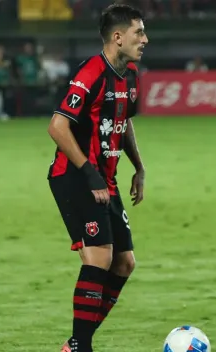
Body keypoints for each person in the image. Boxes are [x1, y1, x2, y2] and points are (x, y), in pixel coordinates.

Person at [47, 4, 148, 352]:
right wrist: (90, 176)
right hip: (75, 176)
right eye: (139, 32)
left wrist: (138, 166)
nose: (145, 39)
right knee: (100, 258)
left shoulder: (130, 74)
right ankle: (81, 347)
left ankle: (76, 342)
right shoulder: (91, 72)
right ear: (117, 37)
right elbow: (57, 127)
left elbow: (124, 120)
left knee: (124, 262)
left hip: (106, 180)